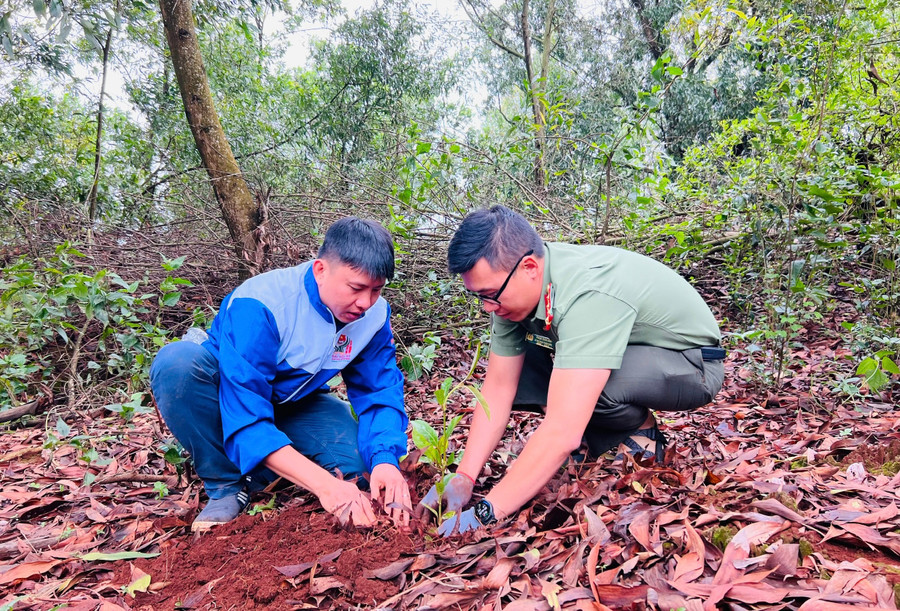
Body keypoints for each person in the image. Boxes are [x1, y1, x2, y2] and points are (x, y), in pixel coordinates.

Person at [417, 205, 724, 535]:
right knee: (530, 360)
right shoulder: (512, 293)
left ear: (529, 267)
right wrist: (464, 476)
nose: (487, 307)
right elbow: (498, 388)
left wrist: (486, 513)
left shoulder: (585, 292)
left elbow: (562, 429)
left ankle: (642, 434)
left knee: (581, 394)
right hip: (633, 352)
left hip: (691, 363)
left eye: (491, 295)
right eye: (479, 296)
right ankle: (588, 443)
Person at [151, 217, 411, 532]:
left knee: (358, 468)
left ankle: (264, 468)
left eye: (376, 290)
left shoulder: (374, 316)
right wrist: (325, 487)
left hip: (295, 401)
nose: (365, 303)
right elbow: (246, 414)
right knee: (176, 363)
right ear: (321, 270)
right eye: (356, 288)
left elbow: (379, 392)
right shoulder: (263, 303)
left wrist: (385, 459)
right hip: (229, 396)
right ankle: (226, 483)